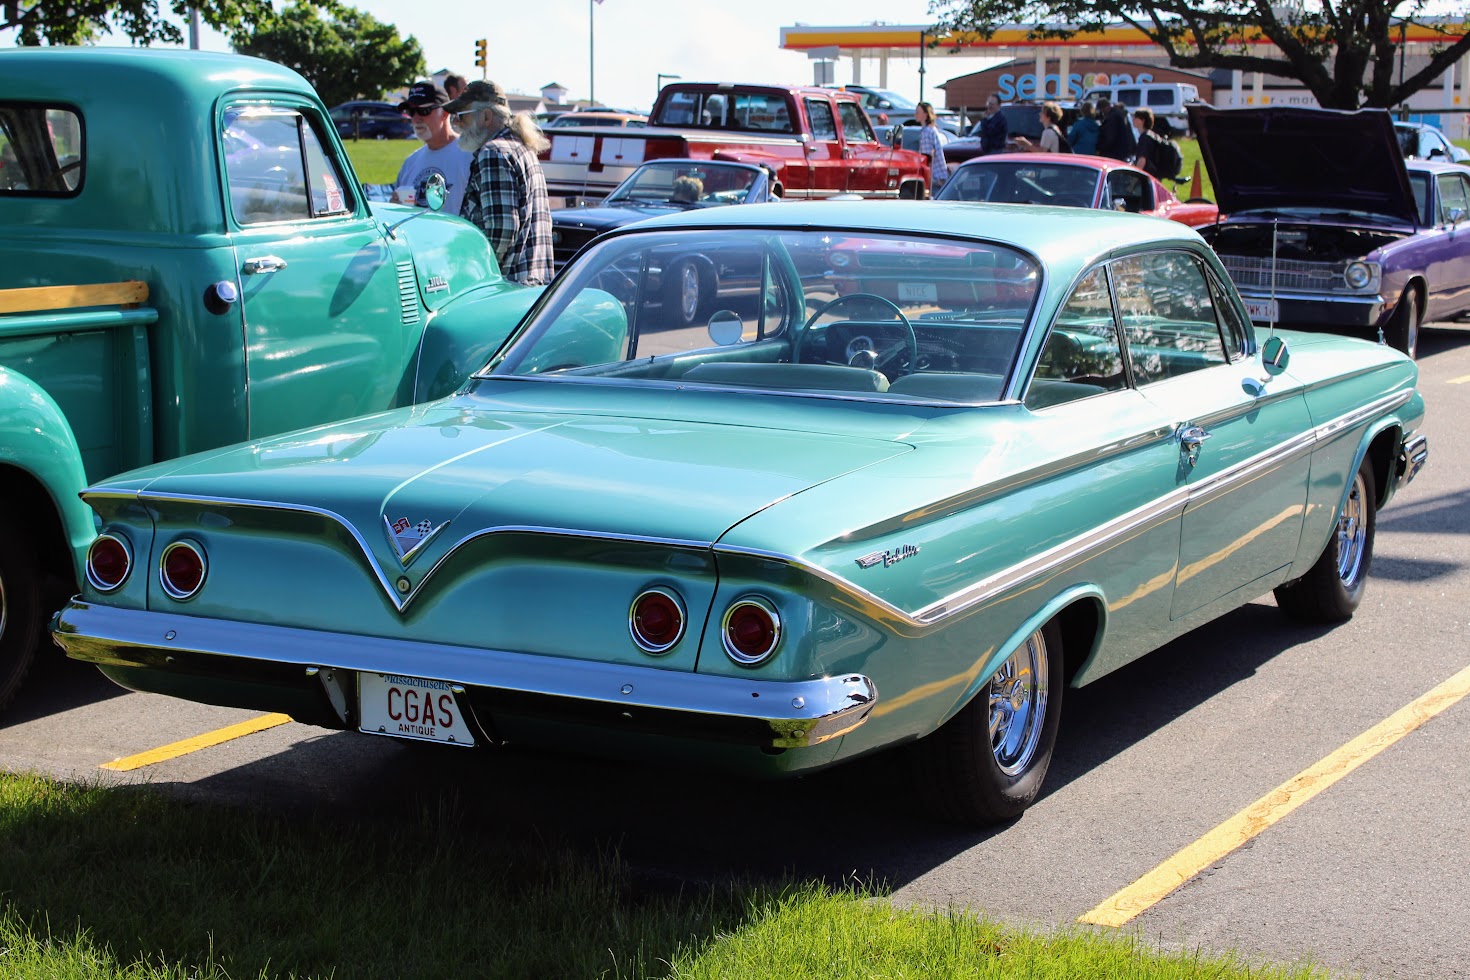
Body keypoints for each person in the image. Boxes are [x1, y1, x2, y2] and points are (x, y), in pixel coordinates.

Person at [446, 79, 554, 286]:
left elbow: (501, 232)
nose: (457, 124)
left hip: (505, 291)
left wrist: (471, 278)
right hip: (531, 287)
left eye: (461, 116)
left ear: (486, 116)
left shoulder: (493, 152)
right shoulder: (521, 148)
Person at [393, 81, 473, 216]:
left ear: (445, 112)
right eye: (411, 111)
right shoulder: (410, 163)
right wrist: (395, 208)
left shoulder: (470, 155)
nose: (417, 118)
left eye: (424, 110)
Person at [1132, 107, 1181, 180]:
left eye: (1135, 118)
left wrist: (1134, 179)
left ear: (1142, 120)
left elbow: (1142, 160)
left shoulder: (1145, 138)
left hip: (1148, 177)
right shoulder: (1151, 135)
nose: (1133, 119)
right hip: (1155, 176)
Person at [915, 101, 949, 194]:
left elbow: (927, 158)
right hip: (940, 176)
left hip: (934, 178)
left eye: (918, 112)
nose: (916, 114)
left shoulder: (926, 133)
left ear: (925, 115)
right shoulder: (932, 130)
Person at [1096, 98, 1137, 162]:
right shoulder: (1121, 115)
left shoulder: (1113, 118)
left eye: (1102, 110)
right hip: (1124, 150)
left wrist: (1101, 148)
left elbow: (1110, 137)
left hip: (1115, 152)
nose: (1102, 112)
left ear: (1106, 107)